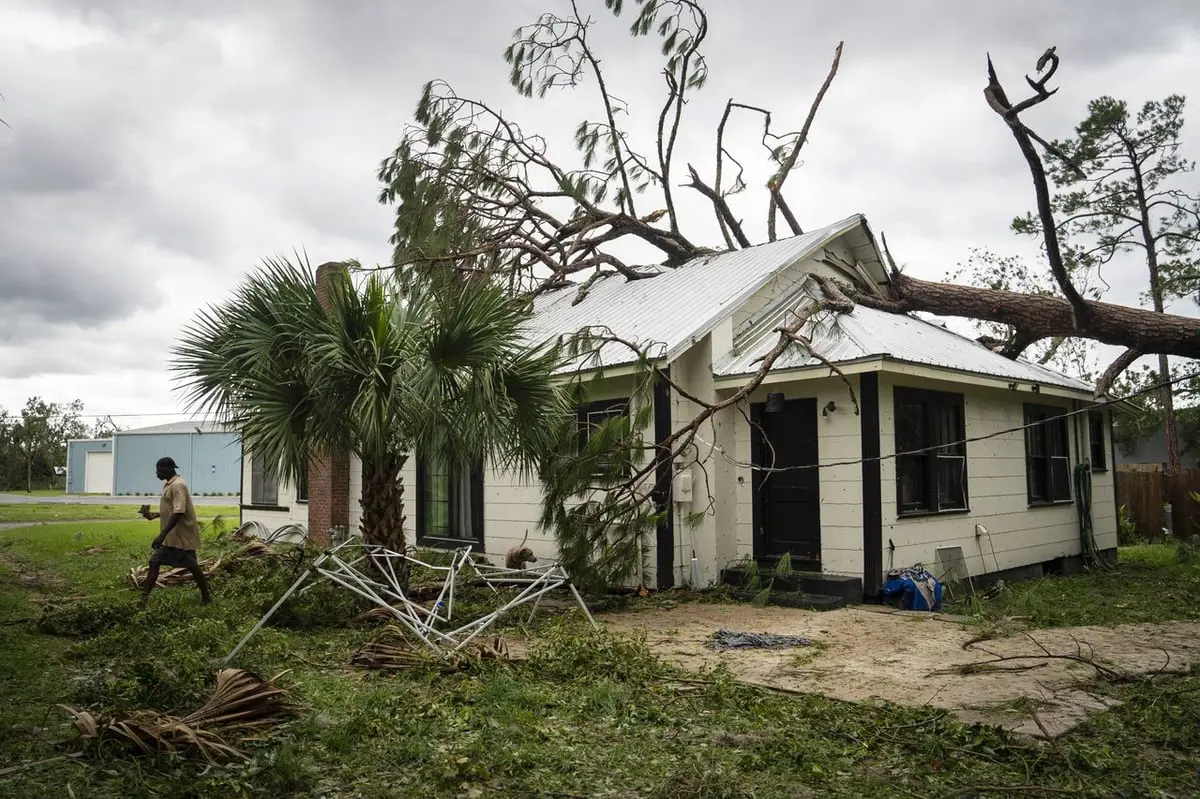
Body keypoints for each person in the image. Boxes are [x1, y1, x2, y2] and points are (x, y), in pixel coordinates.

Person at [138, 456, 212, 607]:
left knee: (192, 566)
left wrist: (161, 535)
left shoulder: (178, 485)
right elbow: (172, 510)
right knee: (154, 562)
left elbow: (179, 512)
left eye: (158, 470)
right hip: (172, 537)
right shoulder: (169, 485)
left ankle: (206, 596)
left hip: (181, 536)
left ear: (168, 469)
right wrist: (155, 515)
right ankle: (143, 600)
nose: (156, 473)